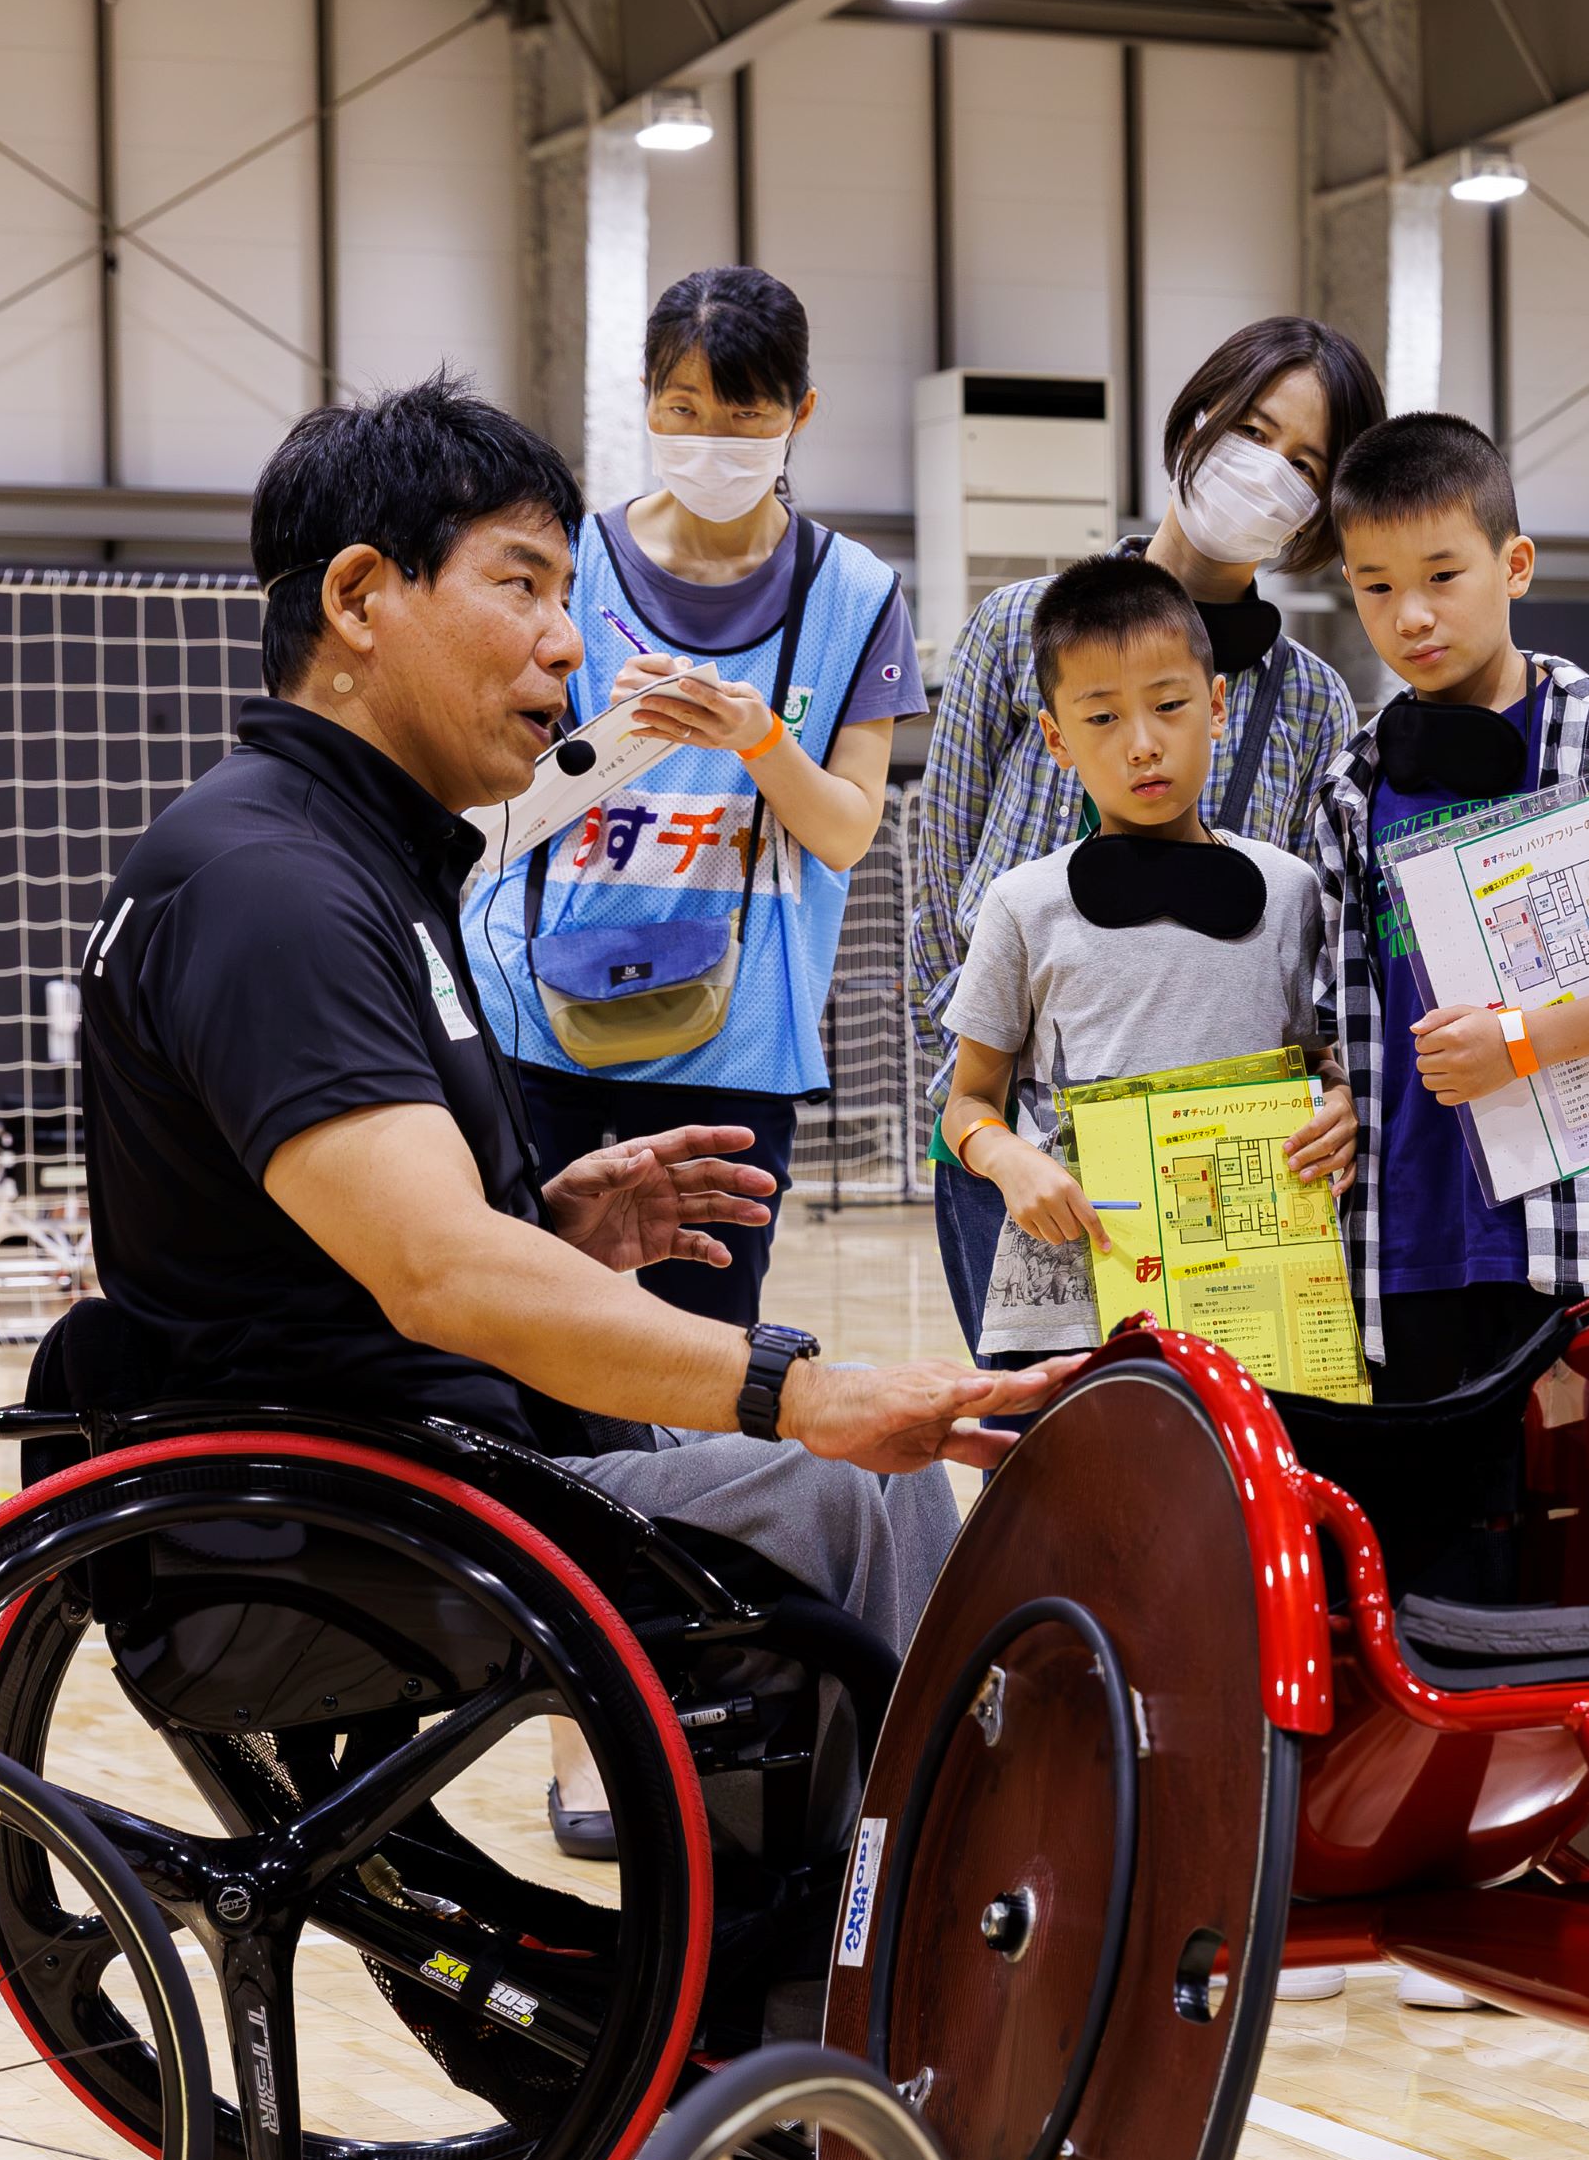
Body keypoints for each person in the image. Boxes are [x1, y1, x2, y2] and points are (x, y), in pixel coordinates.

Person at [80, 379, 1070, 1850]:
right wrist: (798, 1384)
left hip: (398, 1458)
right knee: (852, 1490)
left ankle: (822, 1953)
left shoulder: (349, 857)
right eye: (523, 584)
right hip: (327, 1519)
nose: (567, 637)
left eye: (567, 588)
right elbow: (440, 1275)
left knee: (858, 1487)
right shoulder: (271, 881)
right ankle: (937, 1942)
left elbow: (364, 1245)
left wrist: (548, 1221)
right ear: (361, 598)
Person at [908, 317, 1386, 1353]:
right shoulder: (1019, 627)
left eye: (1305, 462)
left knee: (1214, 1464)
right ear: (1198, 417)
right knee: (1034, 1452)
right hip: (1019, 1161)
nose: (1268, 473)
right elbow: (939, 894)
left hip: (1216, 1173)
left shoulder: (1311, 702)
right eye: (1254, 432)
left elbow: (1316, 965)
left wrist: (1338, 1095)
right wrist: (987, 1122)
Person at [461, 267, 923, 1331]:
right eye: (682, 412)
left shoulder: (854, 593)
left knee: (704, 1355)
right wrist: (607, 739)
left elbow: (846, 832)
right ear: (645, 401)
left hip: (733, 1043)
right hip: (538, 1022)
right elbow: (483, 800)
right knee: (514, 1335)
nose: (710, 439)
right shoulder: (563, 562)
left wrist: (756, 736)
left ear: (799, 414)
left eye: (745, 415)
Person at [1306, 411, 1589, 1406]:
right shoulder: (1352, 781)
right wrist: (1336, 1097)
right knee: (1435, 1553)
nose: (1411, 614)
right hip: (1405, 1242)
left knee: (1580, 1543)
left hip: (1586, 1240)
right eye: (1377, 587)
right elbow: (1343, 1022)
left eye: (1441, 576)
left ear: (1514, 564)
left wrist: (1523, 1041)